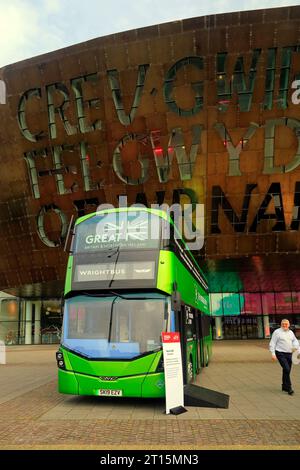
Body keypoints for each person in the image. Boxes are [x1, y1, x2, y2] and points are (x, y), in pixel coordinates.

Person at [269, 319, 300, 395]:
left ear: (289, 325)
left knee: (287, 370)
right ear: (281, 324)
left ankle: (284, 386)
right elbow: (272, 343)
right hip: (280, 353)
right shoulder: (277, 332)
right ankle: (289, 388)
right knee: (286, 368)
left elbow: (295, 341)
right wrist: (273, 354)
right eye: (283, 324)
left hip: (289, 353)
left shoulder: (291, 332)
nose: (284, 325)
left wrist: (297, 349)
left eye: (286, 324)